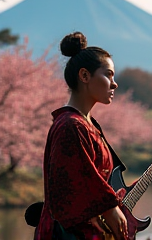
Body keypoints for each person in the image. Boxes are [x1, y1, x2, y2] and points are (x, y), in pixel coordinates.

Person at [34, 32, 128, 240]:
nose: (114, 84)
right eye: (108, 75)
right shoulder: (70, 125)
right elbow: (75, 181)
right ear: (85, 76)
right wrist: (109, 208)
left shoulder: (85, 124)